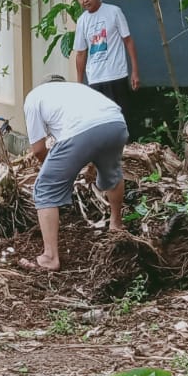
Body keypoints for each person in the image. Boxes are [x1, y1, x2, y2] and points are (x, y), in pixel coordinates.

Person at [20, 78, 129, 272]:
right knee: (112, 174)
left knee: (45, 188)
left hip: (83, 130)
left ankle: (50, 257)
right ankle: (116, 225)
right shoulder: (75, 90)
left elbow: (38, 149)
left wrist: (54, 172)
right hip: (116, 123)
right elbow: (93, 129)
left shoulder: (33, 98)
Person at [71, 0, 140, 112]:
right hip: (95, 79)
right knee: (100, 121)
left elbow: (128, 41)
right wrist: (79, 84)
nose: (85, 0)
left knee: (121, 118)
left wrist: (135, 71)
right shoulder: (82, 21)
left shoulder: (114, 12)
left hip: (117, 75)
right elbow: (81, 53)